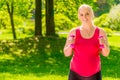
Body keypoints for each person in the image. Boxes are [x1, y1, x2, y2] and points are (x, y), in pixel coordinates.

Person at [63, 4, 110, 80]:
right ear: (78, 16)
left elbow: (106, 54)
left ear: (92, 14)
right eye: (81, 14)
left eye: (87, 14)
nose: (84, 17)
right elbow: (66, 54)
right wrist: (70, 45)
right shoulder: (73, 32)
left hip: (95, 74)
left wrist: (103, 44)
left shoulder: (101, 32)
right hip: (75, 74)